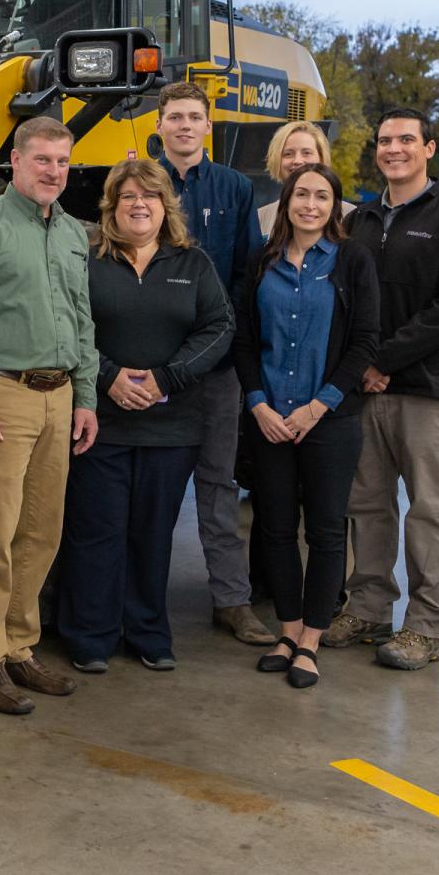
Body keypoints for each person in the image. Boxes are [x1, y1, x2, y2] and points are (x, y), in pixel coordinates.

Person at [0, 115, 100, 714]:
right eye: (43, 160)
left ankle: (18, 647)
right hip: (0, 395)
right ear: (16, 159)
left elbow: (83, 321)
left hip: (59, 397)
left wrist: (86, 395)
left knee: (40, 530)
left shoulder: (74, 234)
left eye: (62, 161)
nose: (54, 171)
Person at [58, 160, 234, 673]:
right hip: (100, 424)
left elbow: (220, 327)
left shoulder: (192, 263)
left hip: (172, 427)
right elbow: (70, 324)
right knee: (97, 531)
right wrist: (108, 375)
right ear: (111, 208)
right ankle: (89, 635)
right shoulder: (88, 261)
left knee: (152, 535)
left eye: (150, 196)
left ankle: (148, 632)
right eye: (128, 196)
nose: (139, 204)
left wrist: (166, 378)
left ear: (166, 206)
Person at [325, 107, 439, 670]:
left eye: (406, 140)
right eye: (385, 141)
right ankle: (368, 606)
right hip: (364, 391)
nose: (394, 149)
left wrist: (382, 359)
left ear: (429, 148)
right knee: (365, 503)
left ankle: (425, 625)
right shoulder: (361, 221)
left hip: (429, 390)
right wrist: (360, 367)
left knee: (431, 509)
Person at [236, 165, 378, 688]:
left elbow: (364, 341)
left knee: (324, 530)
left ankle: (312, 638)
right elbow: (245, 341)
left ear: (335, 205)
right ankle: (288, 628)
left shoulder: (352, 261)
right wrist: (257, 404)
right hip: (269, 419)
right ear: (287, 201)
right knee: (272, 528)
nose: (311, 205)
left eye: (322, 196)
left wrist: (318, 407)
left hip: (329, 421)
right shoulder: (261, 261)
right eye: (301, 195)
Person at [156, 80, 272, 646]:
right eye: (174, 116)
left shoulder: (233, 187)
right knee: (146, 489)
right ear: (160, 126)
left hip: (218, 368)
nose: (184, 125)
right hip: (150, 369)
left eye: (194, 117)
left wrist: (232, 352)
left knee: (219, 485)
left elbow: (247, 272)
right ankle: (138, 600)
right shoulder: (139, 185)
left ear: (208, 125)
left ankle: (232, 600)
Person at [256, 121, 355, 235]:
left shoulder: (351, 216)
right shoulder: (260, 217)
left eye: (306, 153)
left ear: (322, 158)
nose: (297, 160)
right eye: (288, 154)